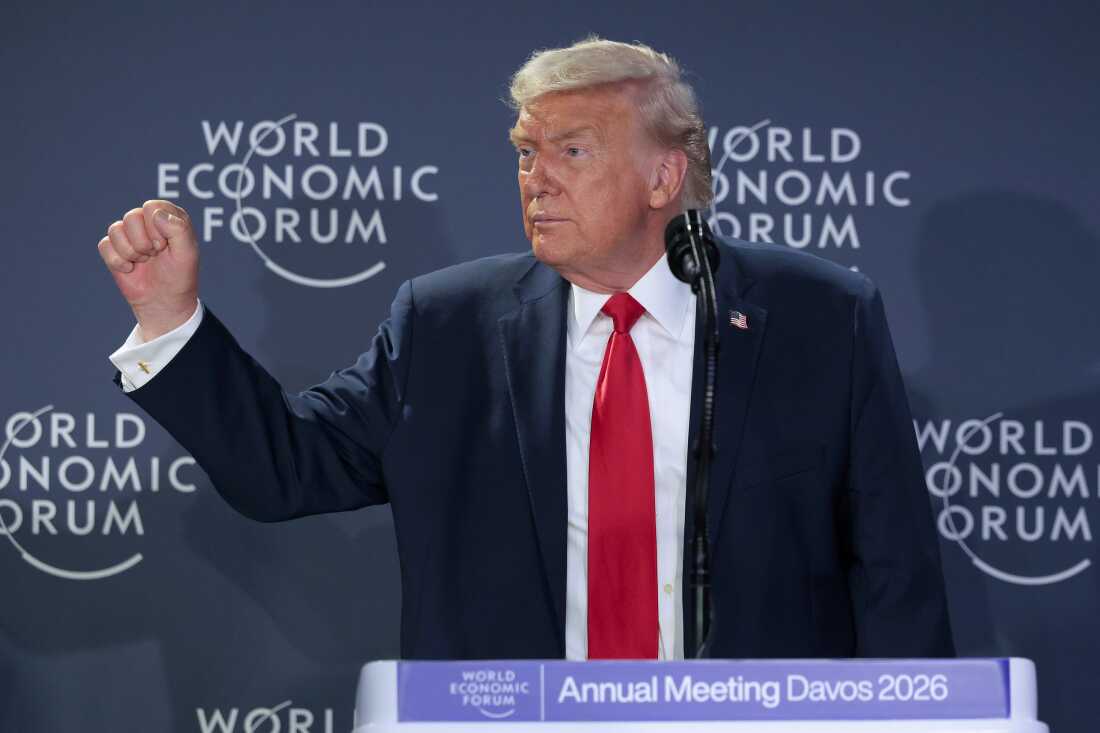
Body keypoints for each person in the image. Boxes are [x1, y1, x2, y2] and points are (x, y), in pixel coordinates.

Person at [97, 37, 954, 660]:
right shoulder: (447, 326)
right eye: (524, 153)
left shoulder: (819, 317)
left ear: (663, 176)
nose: (535, 178)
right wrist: (174, 319)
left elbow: (897, 576)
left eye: (571, 151)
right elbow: (285, 466)